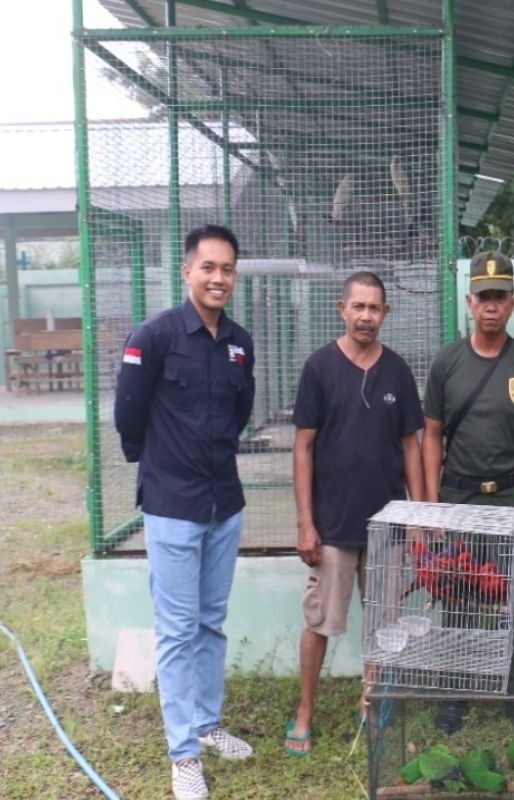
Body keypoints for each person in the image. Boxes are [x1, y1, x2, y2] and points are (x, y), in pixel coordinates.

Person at [114, 224, 255, 800]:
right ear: (187, 271)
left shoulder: (240, 341)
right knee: (175, 632)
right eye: (208, 268)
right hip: (173, 505)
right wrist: (160, 468)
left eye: (227, 270)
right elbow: (129, 414)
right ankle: (184, 756)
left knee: (209, 622)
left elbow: (242, 410)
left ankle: (207, 722)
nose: (218, 278)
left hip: (225, 502)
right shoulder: (154, 336)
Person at [283, 271, 425, 757]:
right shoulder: (319, 367)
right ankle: (305, 711)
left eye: (375, 308)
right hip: (333, 526)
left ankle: (372, 703)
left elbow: (411, 445)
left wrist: (418, 515)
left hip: (387, 526)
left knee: (383, 624)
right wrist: (305, 522)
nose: (366, 316)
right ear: (341, 308)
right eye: (358, 307)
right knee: (320, 621)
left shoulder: (399, 372)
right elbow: (302, 447)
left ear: (386, 313)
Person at [421, 251, 514, 730]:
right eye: (483, 297)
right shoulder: (446, 363)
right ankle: (456, 693)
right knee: (456, 595)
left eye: (500, 297)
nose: (491, 306)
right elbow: (432, 434)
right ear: (469, 302)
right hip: (460, 497)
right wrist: (433, 505)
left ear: (513, 303)